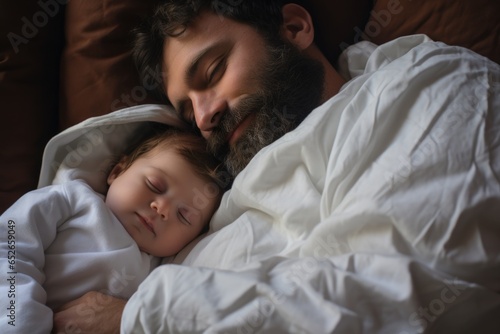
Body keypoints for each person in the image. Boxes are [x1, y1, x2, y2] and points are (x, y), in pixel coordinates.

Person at [52, 0, 500, 333]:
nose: (205, 118)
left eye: (212, 71)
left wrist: (135, 319)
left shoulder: (431, 87)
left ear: (294, 26)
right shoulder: (206, 209)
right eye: (189, 116)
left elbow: (408, 297)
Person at [0, 124, 226, 333]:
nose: (162, 209)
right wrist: (19, 316)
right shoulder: (74, 199)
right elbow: (10, 242)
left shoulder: (163, 272)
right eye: (154, 185)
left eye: (184, 216)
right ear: (117, 171)